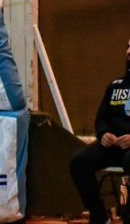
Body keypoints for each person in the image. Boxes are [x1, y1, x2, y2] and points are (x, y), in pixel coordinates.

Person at [69, 37, 130, 224]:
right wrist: (103, 135)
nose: (129, 51)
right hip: (112, 148)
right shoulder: (115, 86)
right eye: (128, 46)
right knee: (78, 162)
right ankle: (99, 214)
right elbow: (101, 118)